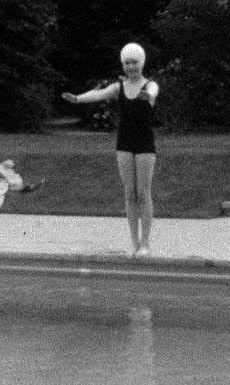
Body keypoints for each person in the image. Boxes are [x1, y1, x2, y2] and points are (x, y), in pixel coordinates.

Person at [62, 42, 159, 257]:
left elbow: (152, 92)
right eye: (127, 63)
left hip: (144, 144)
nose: (131, 66)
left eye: (134, 62)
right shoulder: (119, 87)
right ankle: (134, 243)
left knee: (143, 193)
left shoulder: (150, 85)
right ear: (123, 64)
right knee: (129, 192)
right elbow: (98, 94)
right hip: (124, 144)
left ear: (141, 63)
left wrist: (148, 97)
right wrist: (77, 99)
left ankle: (145, 244)